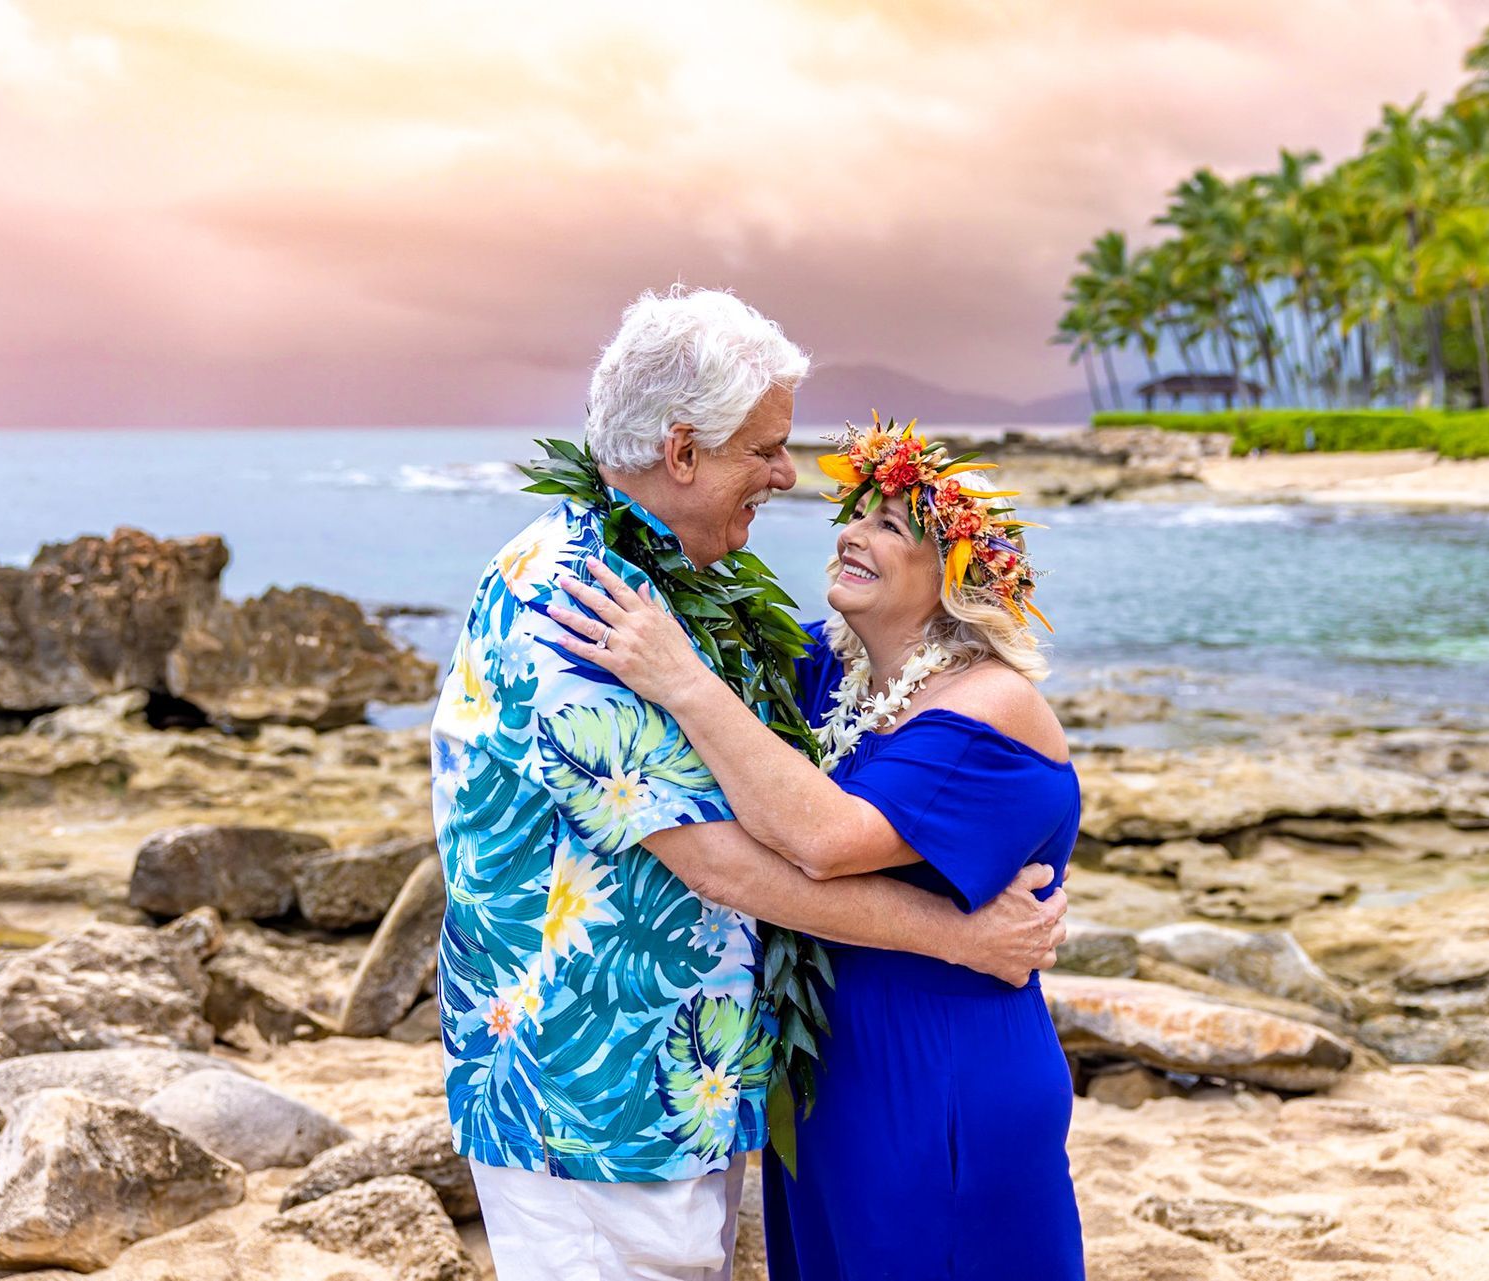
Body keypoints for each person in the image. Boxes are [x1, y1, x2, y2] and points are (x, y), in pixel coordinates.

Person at [431, 288, 1069, 1281]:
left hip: (682, 1083)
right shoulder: (582, 607)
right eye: (765, 448)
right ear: (681, 453)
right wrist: (963, 938)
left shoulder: (675, 592)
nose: (787, 475)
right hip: (591, 1095)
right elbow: (724, 865)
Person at [551, 413, 1086, 1280]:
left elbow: (825, 838)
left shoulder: (994, 707)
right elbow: (736, 743)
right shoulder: (830, 670)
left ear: (956, 578)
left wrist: (680, 677)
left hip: (943, 1070)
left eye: (891, 524)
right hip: (824, 1067)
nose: (853, 532)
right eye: (855, 511)